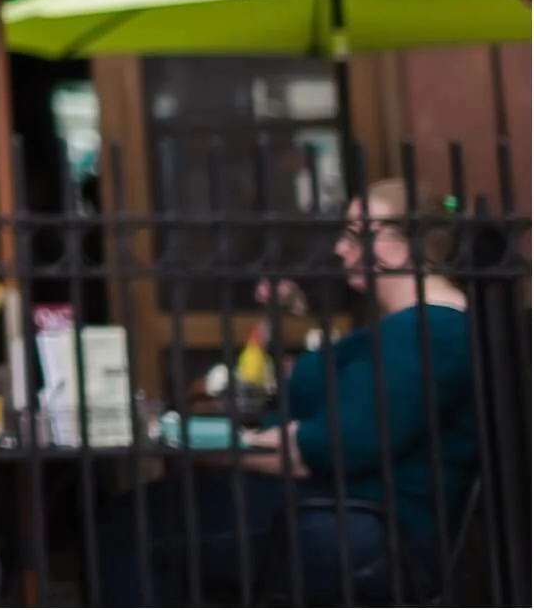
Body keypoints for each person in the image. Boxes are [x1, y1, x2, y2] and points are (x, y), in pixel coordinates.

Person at [94, 178, 479, 604]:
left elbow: (333, 446)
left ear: (400, 246)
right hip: (340, 515)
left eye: (355, 235)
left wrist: (214, 447)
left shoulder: (430, 330)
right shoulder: (417, 327)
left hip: (360, 528)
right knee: (148, 512)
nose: (340, 249)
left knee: (132, 527)